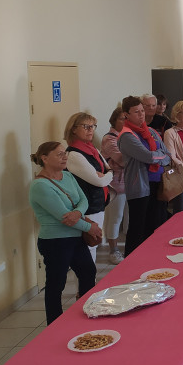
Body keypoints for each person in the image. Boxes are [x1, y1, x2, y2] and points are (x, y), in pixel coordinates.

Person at [30, 141, 102, 325]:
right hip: (55, 242)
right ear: (45, 158)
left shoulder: (68, 176)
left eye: (65, 153)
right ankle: (54, 324)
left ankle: (86, 313)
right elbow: (63, 216)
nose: (64, 157)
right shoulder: (40, 186)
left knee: (88, 272)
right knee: (56, 284)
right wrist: (90, 227)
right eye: (59, 154)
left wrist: (77, 212)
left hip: (75, 237)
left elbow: (84, 200)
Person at [118, 95, 171, 257]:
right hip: (140, 186)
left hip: (157, 183)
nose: (141, 114)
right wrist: (159, 155)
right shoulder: (127, 136)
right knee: (138, 228)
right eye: (136, 112)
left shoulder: (151, 131)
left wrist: (159, 156)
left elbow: (168, 155)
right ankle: (132, 262)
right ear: (126, 115)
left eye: (142, 110)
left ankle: (151, 257)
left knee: (155, 225)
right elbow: (148, 157)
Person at [64, 112, 113, 264]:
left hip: (98, 203)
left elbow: (109, 170)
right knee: (89, 245)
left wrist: (107, 174)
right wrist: (107, 175)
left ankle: (89, 277)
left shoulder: (93, 149)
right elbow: (99, 181)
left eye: (93, 126)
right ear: (73, 129)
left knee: (94, 243)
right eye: (86, 126)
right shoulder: (74, 154)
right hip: (87, 206)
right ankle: (88, 279)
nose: (91, 130)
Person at [101, 107, 128, 264]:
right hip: (115, 185)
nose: (125, 122)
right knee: (116, 218)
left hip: (130, 184)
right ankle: (114, 251)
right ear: (114, 120)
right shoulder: (109, 139)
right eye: (122, 119)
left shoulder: (127, 136)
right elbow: (122, 160)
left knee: (129, 218)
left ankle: (129, 247)